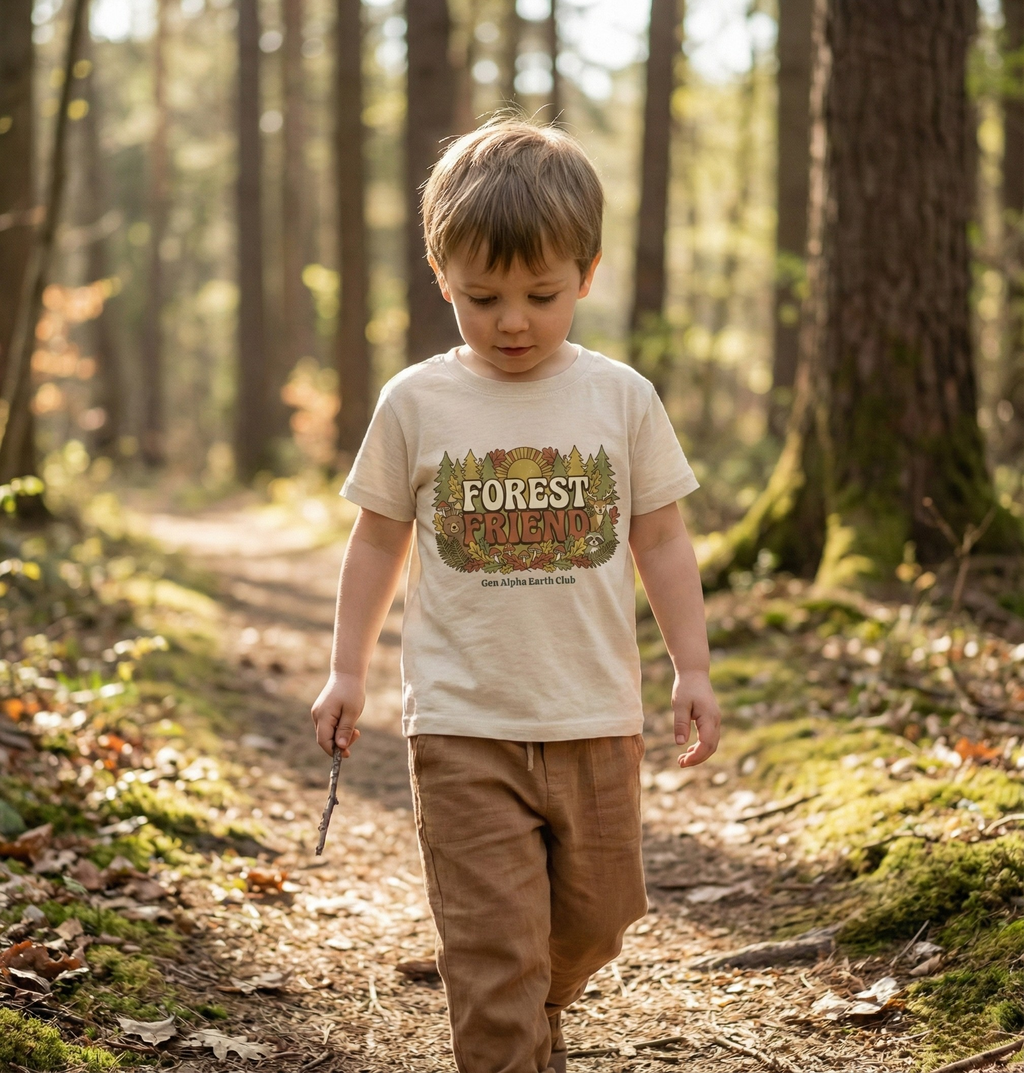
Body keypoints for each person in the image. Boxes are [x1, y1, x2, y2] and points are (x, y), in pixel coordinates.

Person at [311, 116, 721, 1073]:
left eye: (540, 294)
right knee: (493, 955)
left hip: (594, 715)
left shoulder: (621, 398)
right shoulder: (416, 402)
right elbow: (376, 540)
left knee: (595, 922)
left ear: (587, 271)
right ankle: (506, 1031)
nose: (511, 321)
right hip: (461, 722)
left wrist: (691, 665)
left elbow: (660, 538)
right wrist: (344, 671)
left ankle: (532, 1008)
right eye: (481, 295)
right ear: (439, 269)